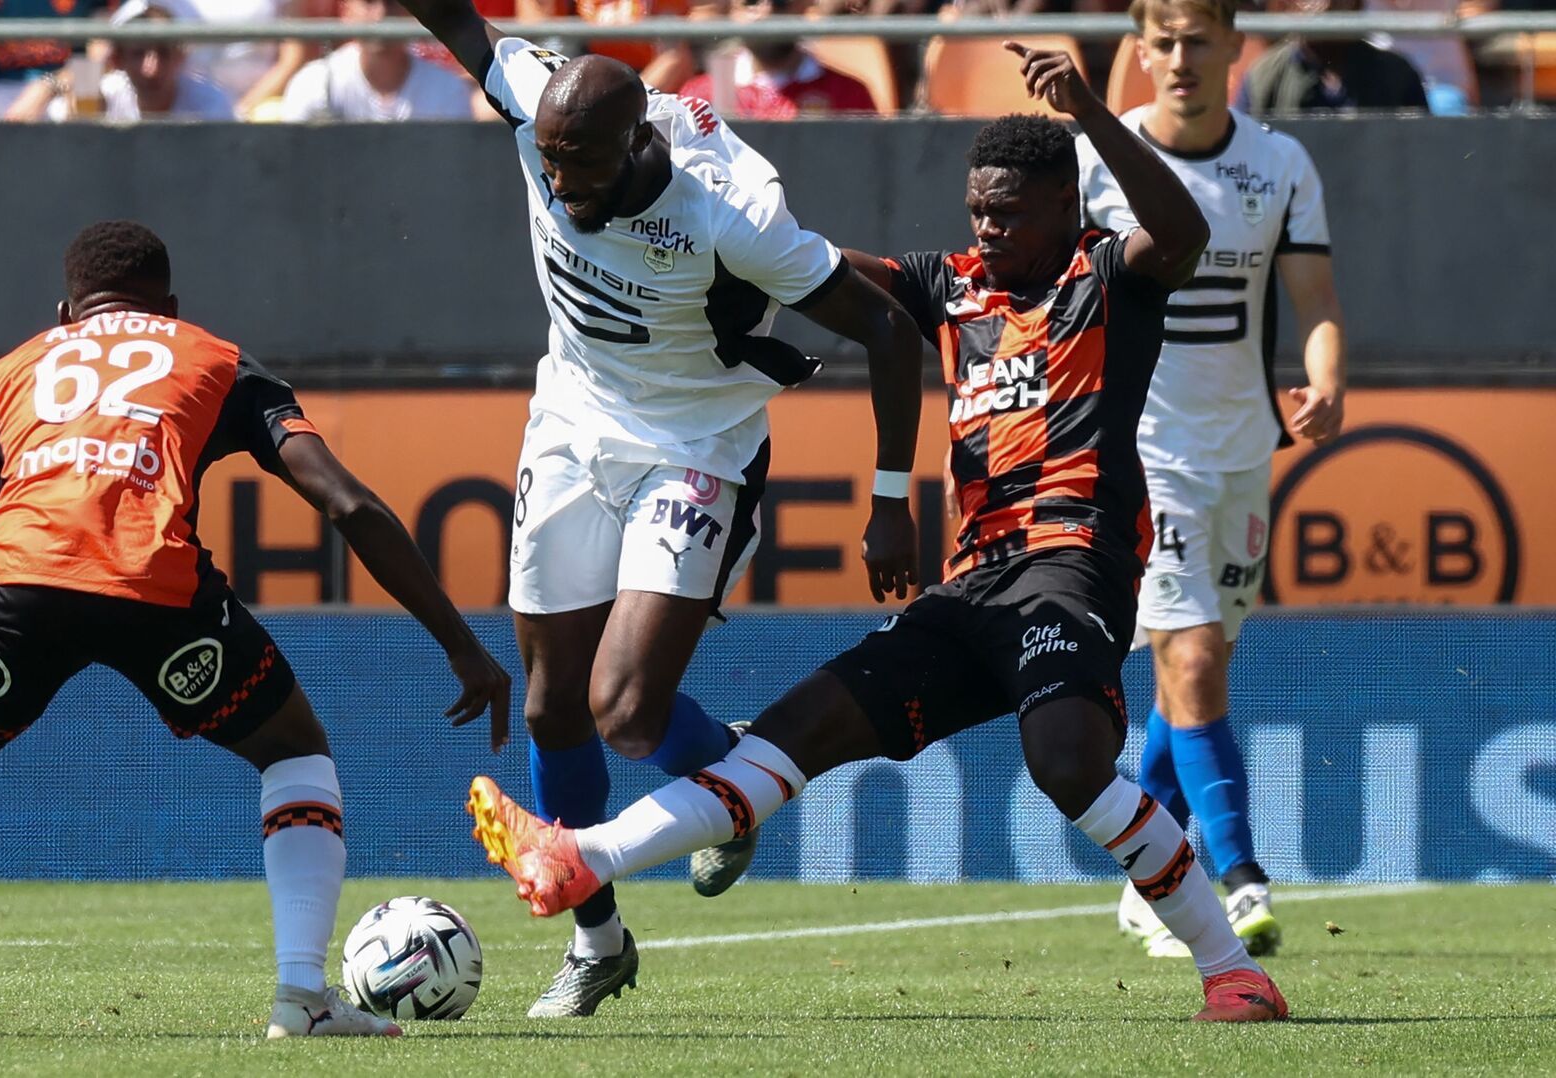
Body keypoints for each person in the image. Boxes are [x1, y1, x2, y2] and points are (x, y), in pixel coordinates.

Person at [469, 44, 1294, 1024]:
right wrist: (719, 249)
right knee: (789, 737)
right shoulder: (951, 286)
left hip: (1070, 566)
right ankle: (580, 857)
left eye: (1008, 213)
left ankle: (1233, 971)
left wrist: (1092, 115)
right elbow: (809, 266)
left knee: (1068, 762)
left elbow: (1185, 230)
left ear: (1065, 207)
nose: (986, 230)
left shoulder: (1110, 275)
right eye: (976, 211)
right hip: (969, 586)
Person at [0, 221, 510, 1040]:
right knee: (293, 751)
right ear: (169, 307)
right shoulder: (217, 360)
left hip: (19, 588)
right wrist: (460, 643)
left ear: (65, 311)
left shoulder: (12, 371)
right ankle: (302, 999)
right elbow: (347, 503)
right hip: (155, 592)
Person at [397, 0, 926, 1017]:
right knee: (552, 704)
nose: (559, 186)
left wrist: (892, 497)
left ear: (637, 140)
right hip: (570, 421)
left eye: (581, 167)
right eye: (549, 161)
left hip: (696, 447)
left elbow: (890, 330)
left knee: (627, 712)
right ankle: (598, 943)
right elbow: (461, 24)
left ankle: (725, 771)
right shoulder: (539, 106)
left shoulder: (731, 213)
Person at [1079, 0, 1345, 960]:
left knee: (1197, 671)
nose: (1182, 58)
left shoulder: (1280, 163)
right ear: (1140, 51)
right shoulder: (1096, 163)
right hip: (1145, 452)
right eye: (1166, 42)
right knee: (1189, 662)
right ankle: (1237, 879)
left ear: (1236, 47)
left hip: (1242, 454)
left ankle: (1145, 882)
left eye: (1200, 40)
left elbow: (1315, 301)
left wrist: (1327, 381)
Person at [677, 0, 878, 120]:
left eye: (781, 1)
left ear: (805, 5)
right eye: (751, 1)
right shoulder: (700, 96)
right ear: (732, 9)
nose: (766, 11)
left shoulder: (850, 95)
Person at [279, 0, 475, 122]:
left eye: (392, 3)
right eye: (369, 2)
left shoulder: (448, 90)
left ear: (412, 13)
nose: (380, 14)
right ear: (347, 11)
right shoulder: (314, 84)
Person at [1238, 0, 1428, 114]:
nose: (1328, 4)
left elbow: (1421, 154)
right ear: (1287, 4)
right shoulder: (1264, 79)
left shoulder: (1398, 76)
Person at [99, 1, 238, 121]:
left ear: (180, 57)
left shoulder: (212, 106)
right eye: (138, 54)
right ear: (117, 59)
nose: (152, 70)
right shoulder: (104, 98)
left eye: (164, 53)